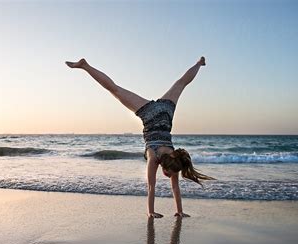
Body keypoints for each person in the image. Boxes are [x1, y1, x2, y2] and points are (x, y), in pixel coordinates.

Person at [65, 57, 215, 218]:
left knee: (180, 83)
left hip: (165, 111)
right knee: (114, 90)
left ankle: (199, 63)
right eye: (171, 174)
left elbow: (161, 187)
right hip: (150, 114)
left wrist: (179, 211)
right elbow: (152, 186)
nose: (171, 176)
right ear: (164, 167)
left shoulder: (174, 158)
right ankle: (85, 66)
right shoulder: (155, 157)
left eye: (171, 174)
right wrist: (152, 212)